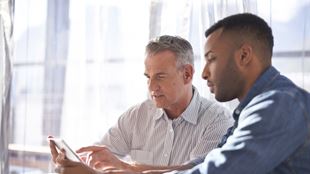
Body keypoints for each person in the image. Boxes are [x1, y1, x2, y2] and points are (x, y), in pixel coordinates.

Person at [51, 13, 310, 174]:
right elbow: (196, 166)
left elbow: (214, 172)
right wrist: (126, 168)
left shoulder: (277, 105)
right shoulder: (252, 109)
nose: (205, 73)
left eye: (212, 59)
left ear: (244, 56)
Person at [49, 35, 233, 172]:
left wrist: (124, 167)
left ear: (187, 74)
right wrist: (73, 164)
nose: (151, 86)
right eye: (148, 77)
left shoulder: (218, 121)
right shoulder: (136, 116)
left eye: (160, 77)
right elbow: (99, 158)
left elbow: (192, 171)